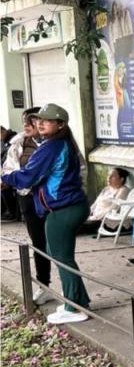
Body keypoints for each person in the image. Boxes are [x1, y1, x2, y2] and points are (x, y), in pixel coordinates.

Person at [1, 104, 92, 324]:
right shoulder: (56, 144)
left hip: (64, 209)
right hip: (65, 208)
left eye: (47, 120)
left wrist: (5, 179)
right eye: (38, 120)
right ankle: (79, 300)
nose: (40, 123)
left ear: (60, 124)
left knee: (62, 257)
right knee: (57, 253)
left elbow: (28, 176)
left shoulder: (52, 146)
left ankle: (73, 308)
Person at [1, 108, 52, 304]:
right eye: (25, 122)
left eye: (31, 121)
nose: (26, 126)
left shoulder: (57, 144)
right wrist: (17, 180)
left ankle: (70, 288)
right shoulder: (19, 144)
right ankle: (44, 285)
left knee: (58, 244)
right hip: (28, 199)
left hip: (53, 201)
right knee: (39, 243)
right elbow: (10, 168)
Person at [78, 167, 130, 234]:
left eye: (112, 176)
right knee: (74, 221)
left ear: (121, 179)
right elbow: (95, 204)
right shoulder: (107, 189)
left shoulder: (123, 191)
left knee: (76, 226)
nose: (109, 178)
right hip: (95, 218)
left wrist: (94, 217)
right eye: (108, 175)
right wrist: (86, 214)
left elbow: (113, 209)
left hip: (108, 222)